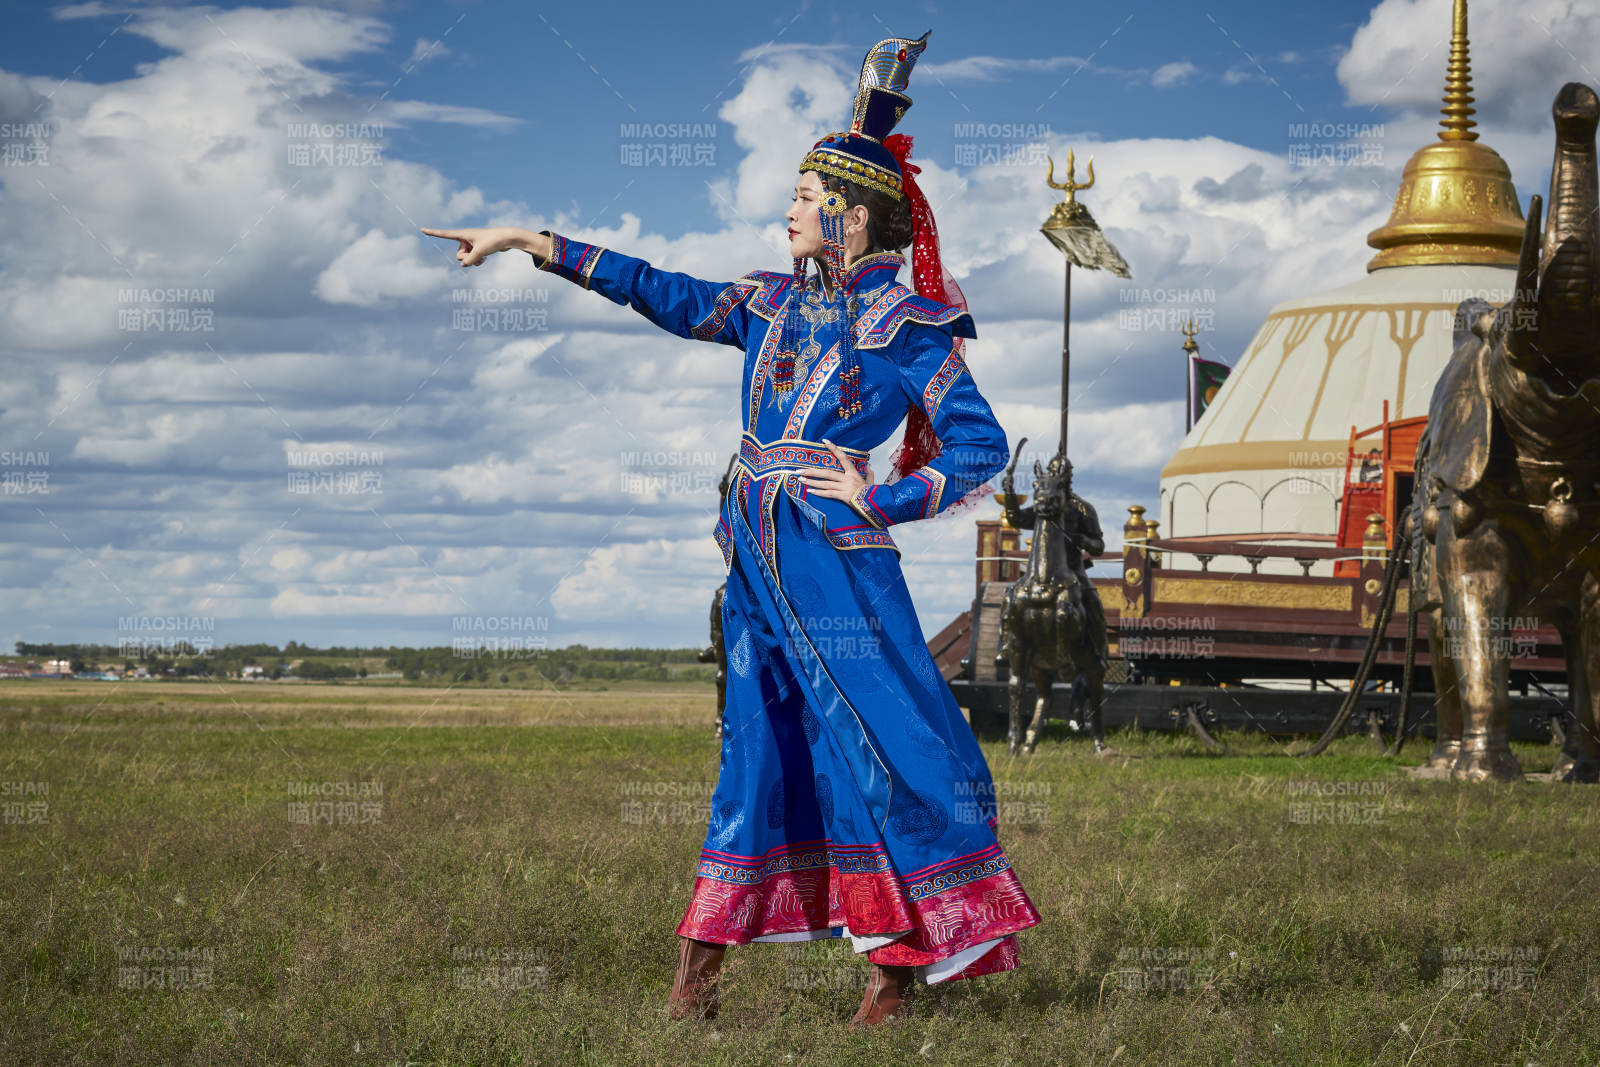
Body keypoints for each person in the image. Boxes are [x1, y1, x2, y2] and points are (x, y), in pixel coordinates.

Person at [423, 30, 1041, 1026]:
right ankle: (696, 980)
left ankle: (892, 973)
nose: (787, 209)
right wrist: (530, 243)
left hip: (835, 569)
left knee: (869, 750)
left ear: (847, 215)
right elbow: (659, 291)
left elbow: (979, 445)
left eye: (803, 195)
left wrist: (880, 496)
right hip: (755, 563)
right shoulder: (764, 303)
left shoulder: (905, 328)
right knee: (754, 751)